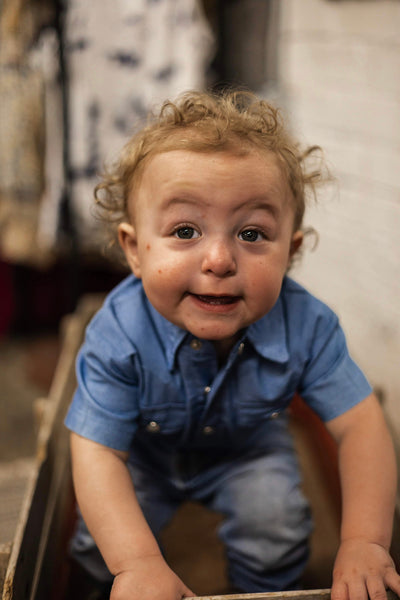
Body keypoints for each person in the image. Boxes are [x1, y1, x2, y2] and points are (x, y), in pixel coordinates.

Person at [65, 90, 400, 600]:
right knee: (99, 542)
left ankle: (263, 591)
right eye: (185, 230)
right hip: (143, 454)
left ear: (290, 252)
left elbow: (360, 425)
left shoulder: (308, 326)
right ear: (134, 250)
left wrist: (364, 542)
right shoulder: (117, 335)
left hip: (248, 448)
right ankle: (100, 589)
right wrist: (135, 563)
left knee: (277, 527)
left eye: (251, 234)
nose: (219, 260)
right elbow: (97, 452)